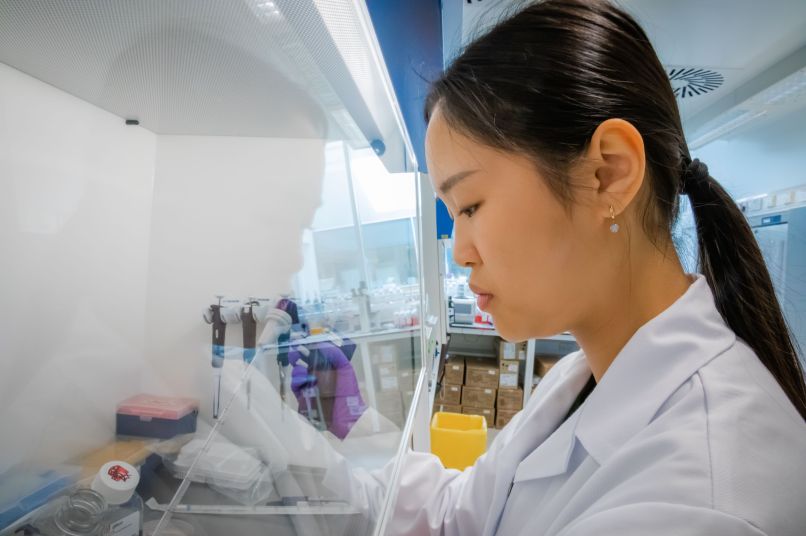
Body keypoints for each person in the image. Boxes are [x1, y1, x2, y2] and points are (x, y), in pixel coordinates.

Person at [216, 1, 806, 534]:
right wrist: (270, 436)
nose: (459, 251)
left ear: (609, 174)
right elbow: (455, 517)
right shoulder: (579, 381)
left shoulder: (704, 498)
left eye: (470, 206)